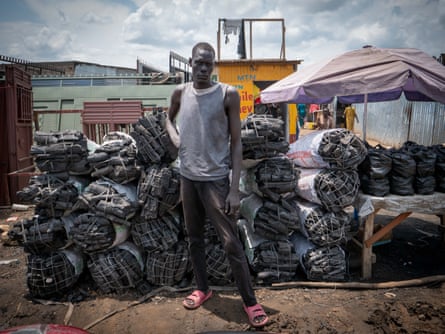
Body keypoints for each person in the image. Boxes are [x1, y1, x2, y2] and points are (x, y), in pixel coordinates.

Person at [165, 42, 269, 328]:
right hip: (188, 179)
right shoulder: (180, 93)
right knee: (194, 238)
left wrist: (235, 190)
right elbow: (167, 118)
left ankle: (250, 302)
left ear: (214, 66)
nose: (202, 68)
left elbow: (237, 143)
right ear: (190, 62)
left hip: (215, 182)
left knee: (230, 243)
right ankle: (203, 288)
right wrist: (174, 137)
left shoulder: (227, 94)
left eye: (207, 64)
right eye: (198, 63)